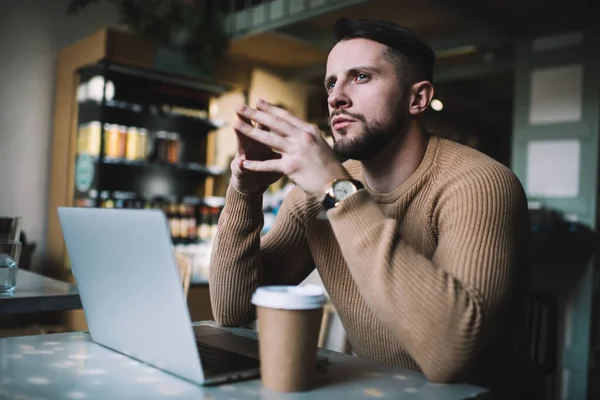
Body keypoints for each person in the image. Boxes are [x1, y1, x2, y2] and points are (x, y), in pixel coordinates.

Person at [209, 17, 543, 398]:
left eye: (361, 77)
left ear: (417, 98)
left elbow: (450, 357)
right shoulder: (314, 195)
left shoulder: (479, 183)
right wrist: (244, 193)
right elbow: (233, 310)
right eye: (331, 82)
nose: (335, 96)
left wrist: (337, 190)